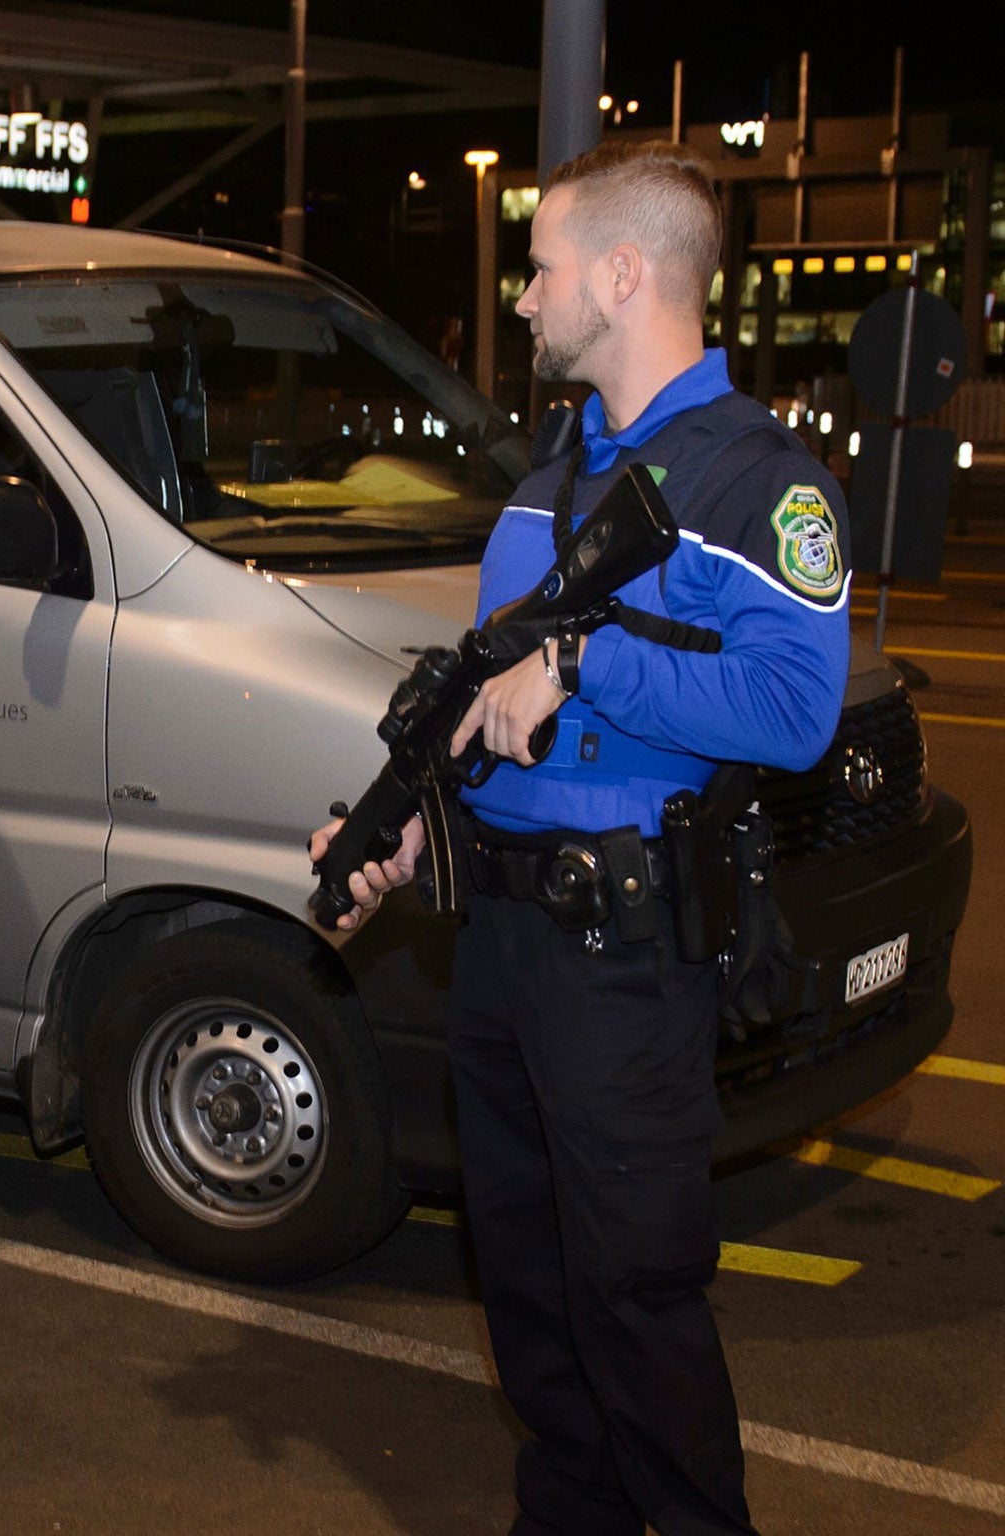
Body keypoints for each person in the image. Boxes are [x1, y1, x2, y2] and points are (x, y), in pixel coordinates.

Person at [312, 140, 849, 1536]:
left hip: (623, 957)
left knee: (636, 1300)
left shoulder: (755, 482)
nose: (527, 293)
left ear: (623, 274)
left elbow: (795, 713)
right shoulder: (558, 464)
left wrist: (592, 667)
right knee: (532, 1297)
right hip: (499, 939)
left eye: (543, 265)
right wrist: (417, 834)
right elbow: (498, 713)